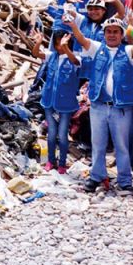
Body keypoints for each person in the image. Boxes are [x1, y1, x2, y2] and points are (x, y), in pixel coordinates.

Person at [69, 15, 133, 195]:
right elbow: (80, 39)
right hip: (98, 105)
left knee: (122, 144)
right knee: (98, 143)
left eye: (116, 32)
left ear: (121, 35)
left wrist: (130, 28)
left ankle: (125, 180)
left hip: (121, 107)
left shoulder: (128, 51)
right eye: (109, 32)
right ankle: (96, 176)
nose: (112, 35)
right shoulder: (97, 49)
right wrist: (73, 24)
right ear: (104, 34)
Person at [39, 33, 81, 173]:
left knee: (62, 135)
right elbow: (36, 53)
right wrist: (38, 42)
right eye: (57, 44)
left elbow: (76, 62)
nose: (60, 47)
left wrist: (65, 47)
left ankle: (62, 163)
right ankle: (51, 161)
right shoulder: (51, 57)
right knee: (51, 133)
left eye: (63, 44)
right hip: (49, 101)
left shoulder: (75, 59)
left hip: (66, 104)